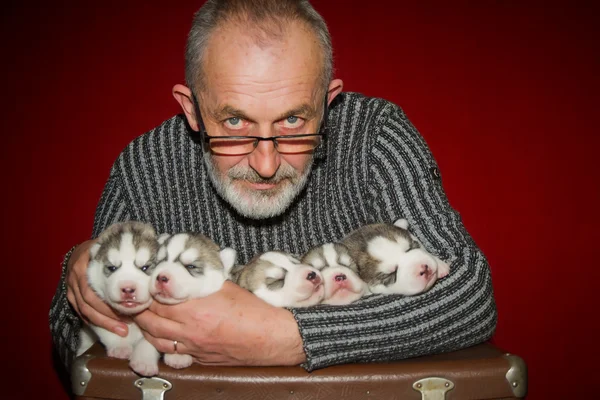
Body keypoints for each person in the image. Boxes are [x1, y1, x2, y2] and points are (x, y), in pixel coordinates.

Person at [50, 0, 496, 373]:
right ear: (191, 110)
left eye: (294, 120)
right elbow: (68, 334)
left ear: (329, 102)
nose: (266, 164)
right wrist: (81, 270)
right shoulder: (144, 164)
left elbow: (470, 295)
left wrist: (284, 337)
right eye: (234, 121)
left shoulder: (377, 134)